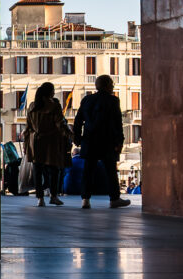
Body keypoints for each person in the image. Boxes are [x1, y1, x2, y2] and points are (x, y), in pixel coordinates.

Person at [73, 74, 132, 210]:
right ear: (107, 86)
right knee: (111, 171)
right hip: (107, 141)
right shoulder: (113, 101)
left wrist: (77, 137)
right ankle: (114, 199)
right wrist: (120, 141)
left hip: (89, 140)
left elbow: (78, 120)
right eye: (111, 84)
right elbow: (118, 123)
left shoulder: (87, 100)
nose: (113, 86)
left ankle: (85, 199)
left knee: (88, 171)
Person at [22, 82, 72, 207]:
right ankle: (53, 196)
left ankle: (40, 198)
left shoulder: (32, 106)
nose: (54, 92)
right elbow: (60, 124)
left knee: (37, 170)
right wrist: (70, 135)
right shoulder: (54, 106)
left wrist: (26, 145)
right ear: (50, 92)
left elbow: (28, 127)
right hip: (51, 142)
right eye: (53, 90)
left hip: (35, 141)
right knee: (54, 170)